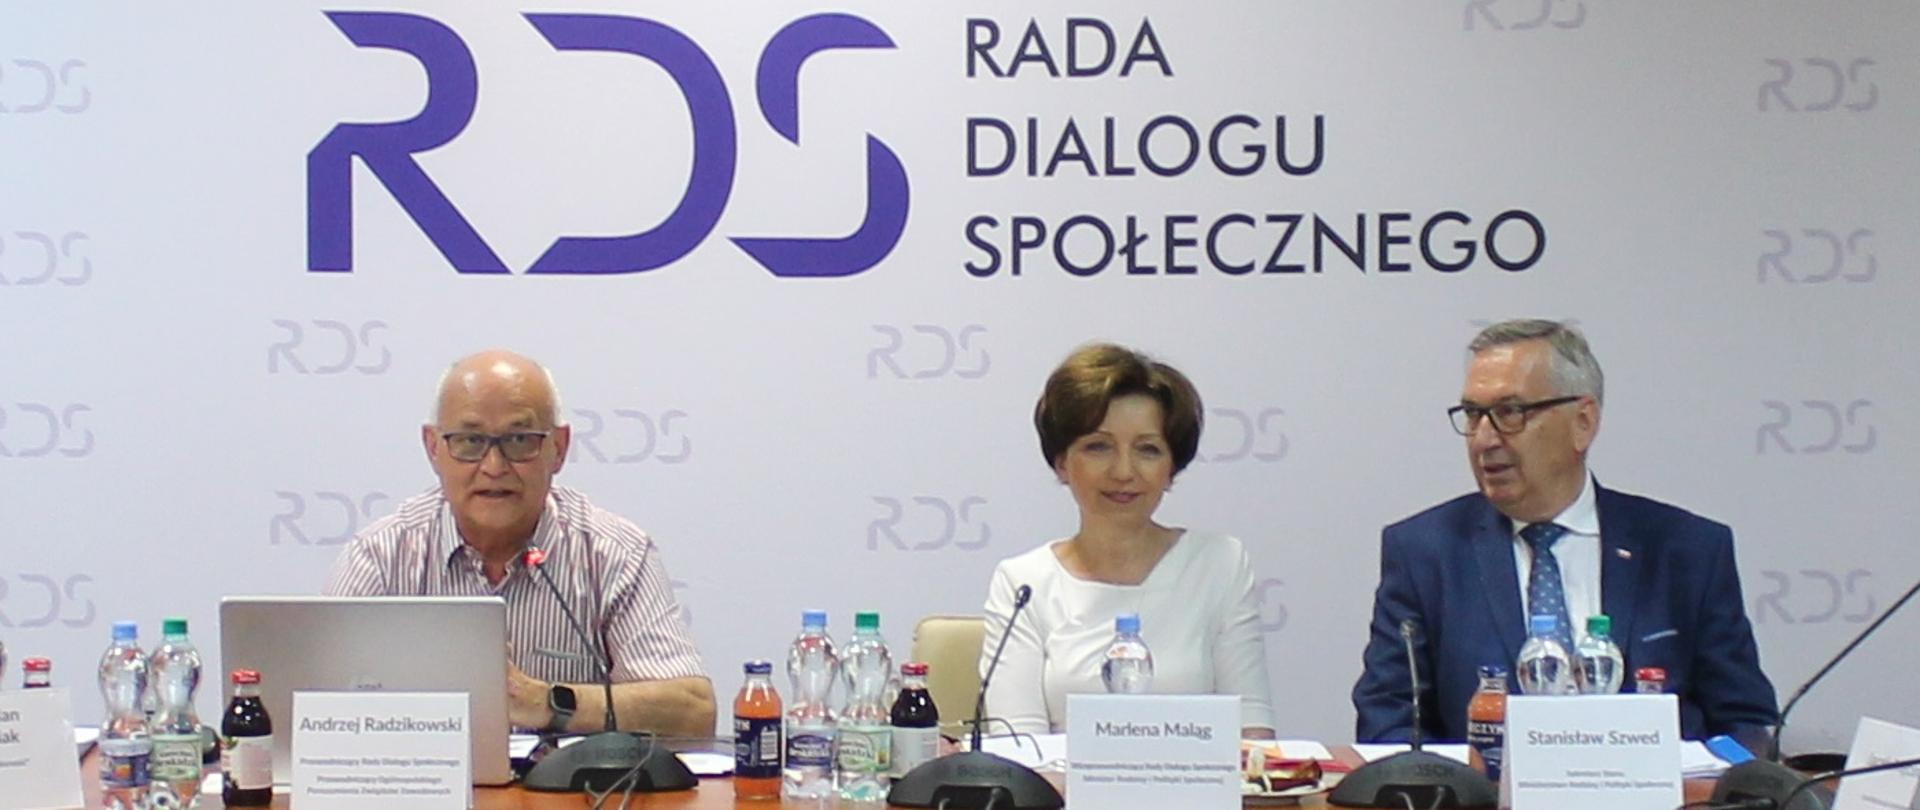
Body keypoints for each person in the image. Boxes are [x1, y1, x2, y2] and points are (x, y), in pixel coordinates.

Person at [1352, 320, 1778, 742]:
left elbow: (1746, 723)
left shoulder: (1687, 550)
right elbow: (1388, 724)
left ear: (1583, 422)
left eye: (1509, 413)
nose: (1483, 439)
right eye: (1473, 415)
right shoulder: (1425, 552)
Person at [323, 349, 715, 737]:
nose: (494, 467)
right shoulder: (381, 556)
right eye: (470, 441)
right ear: (433, 448)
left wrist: (547, 702)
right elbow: (312, 707)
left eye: (519, 440)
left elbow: (693, 712)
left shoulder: (614, 554)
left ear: (559, 448)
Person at [980, 343, 1277, 738]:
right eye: (1098, 447)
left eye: (1148, 450)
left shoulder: (1219, 563)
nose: (1123, 472)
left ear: (1172, 468)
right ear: (1062, 462)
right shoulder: (1023, 583)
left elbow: (1252, 733)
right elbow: (1017, 746)